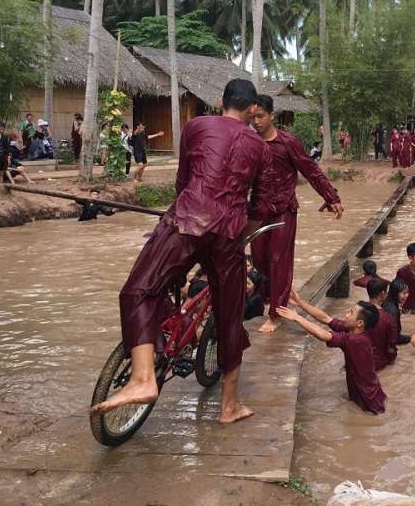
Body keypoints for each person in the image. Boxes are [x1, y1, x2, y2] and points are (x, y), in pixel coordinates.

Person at [89, 78, 279, 424]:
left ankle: (143, 377)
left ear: (221, 100)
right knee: (229, 317)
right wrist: (240, 238)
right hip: (229, 234)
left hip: (187, 219)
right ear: (253, 109)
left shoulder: (197, 125)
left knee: (139, 290)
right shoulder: (262, 149)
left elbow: (183, 182)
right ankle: (230, 406)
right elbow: (261, 208)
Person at [251, 93, 343, 333]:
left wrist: (331, 196)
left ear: (272, 115)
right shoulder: (250, 143)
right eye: (253, 117)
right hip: (258, 210)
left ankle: (275, 314)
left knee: (277, 260)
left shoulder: (287, 143)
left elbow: (311, 170)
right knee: (259, 260)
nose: (256, 121)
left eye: (261, 116)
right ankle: (271, 297)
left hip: (283, 211)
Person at [277, 299, 386, 414]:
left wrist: (297, 318)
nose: (346, 315)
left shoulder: (356, 340)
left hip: (369, 402)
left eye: (351, 313)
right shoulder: (355, 331)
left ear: (360, 323)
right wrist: (300, 302)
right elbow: (326, 318)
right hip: (371, 395)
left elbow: (324, 335)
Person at [384, 278, 411, 345]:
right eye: (404, 293)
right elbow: (394, 338)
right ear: (395, 293)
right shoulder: (392, 311)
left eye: (407, 292)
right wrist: (411, 338)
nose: (407, 295)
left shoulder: (386, 303)